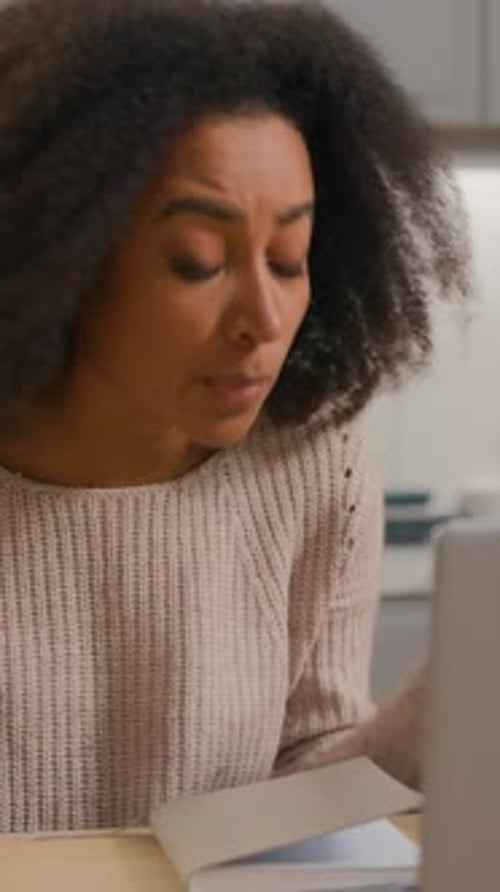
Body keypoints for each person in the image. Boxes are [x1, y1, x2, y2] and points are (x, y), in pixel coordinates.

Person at [0, 0, 468, 833]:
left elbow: (290, 805)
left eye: (289, 259)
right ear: (59, 259)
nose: (265, 316)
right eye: (199, 263)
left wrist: (448, 708)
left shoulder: (315, 459)